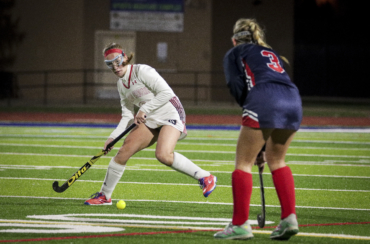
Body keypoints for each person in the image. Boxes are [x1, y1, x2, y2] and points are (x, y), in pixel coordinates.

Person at [84, 43, 217, 205]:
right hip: (150, 118)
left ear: (125, 57)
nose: (115, 66)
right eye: (109, 64)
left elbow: (167, 93)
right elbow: (126, 115)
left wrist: (144, 109)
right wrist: (112, 137)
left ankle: (205, 176)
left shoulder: (142, 71)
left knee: (163, 155)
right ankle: (105, 196)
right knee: (124, 151)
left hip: (170, 111)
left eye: (117, 61)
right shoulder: (121, 85)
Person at [214, 18, 302, 240]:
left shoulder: (235, 52)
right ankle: (289, 219)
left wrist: (251, 112)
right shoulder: (270, 53)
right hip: (293, 100)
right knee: (277, 160)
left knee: (243, 163)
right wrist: (261, 142)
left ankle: (240, 225)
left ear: (234, 40)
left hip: (264, 99)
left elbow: (236, 86)